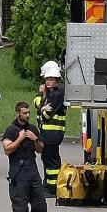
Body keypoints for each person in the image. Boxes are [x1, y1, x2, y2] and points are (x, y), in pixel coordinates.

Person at [2, 102, 54, 212]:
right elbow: (7, 149)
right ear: (17, 113)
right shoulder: (11, 130)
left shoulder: (32, 129)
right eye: (24, 113)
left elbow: (40, 149)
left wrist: (35, 138)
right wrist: (20, 138)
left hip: (32, 168)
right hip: (18, 169)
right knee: (20, 203)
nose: (27, 115)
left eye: (28, 113)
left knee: (39, 201)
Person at [36, 62, 67, 197]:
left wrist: (42, 108)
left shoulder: (57, 95)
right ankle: (47, 185)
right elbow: (38, 106)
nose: (48, 82)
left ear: (57, 80)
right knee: (47, 159)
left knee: (52, 162)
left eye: (51, 79)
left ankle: (52, 188)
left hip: (53, 134)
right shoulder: (50, 94)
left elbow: (46, 114)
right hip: (47, 133)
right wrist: (42, 106)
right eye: (47, 79)